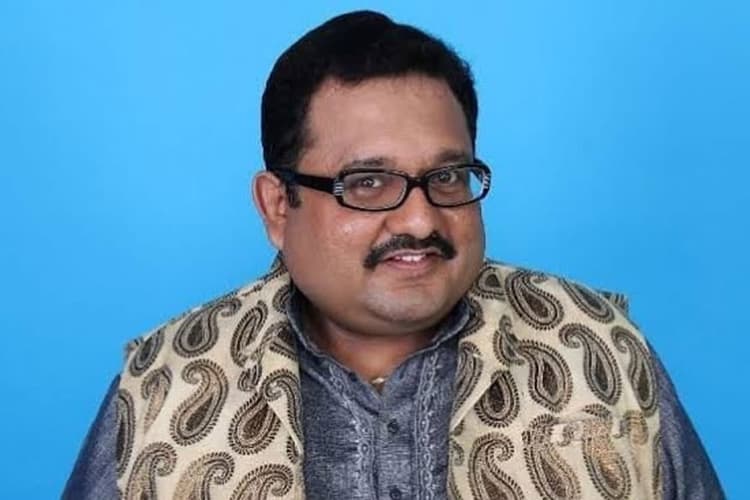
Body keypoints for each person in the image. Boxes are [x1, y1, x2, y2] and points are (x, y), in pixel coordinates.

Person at [64, 10, 723, 499]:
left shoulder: (598, 350)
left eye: (447, 177)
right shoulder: (166, 384)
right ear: (277, 205)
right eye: (368, 183)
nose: (420, 218)